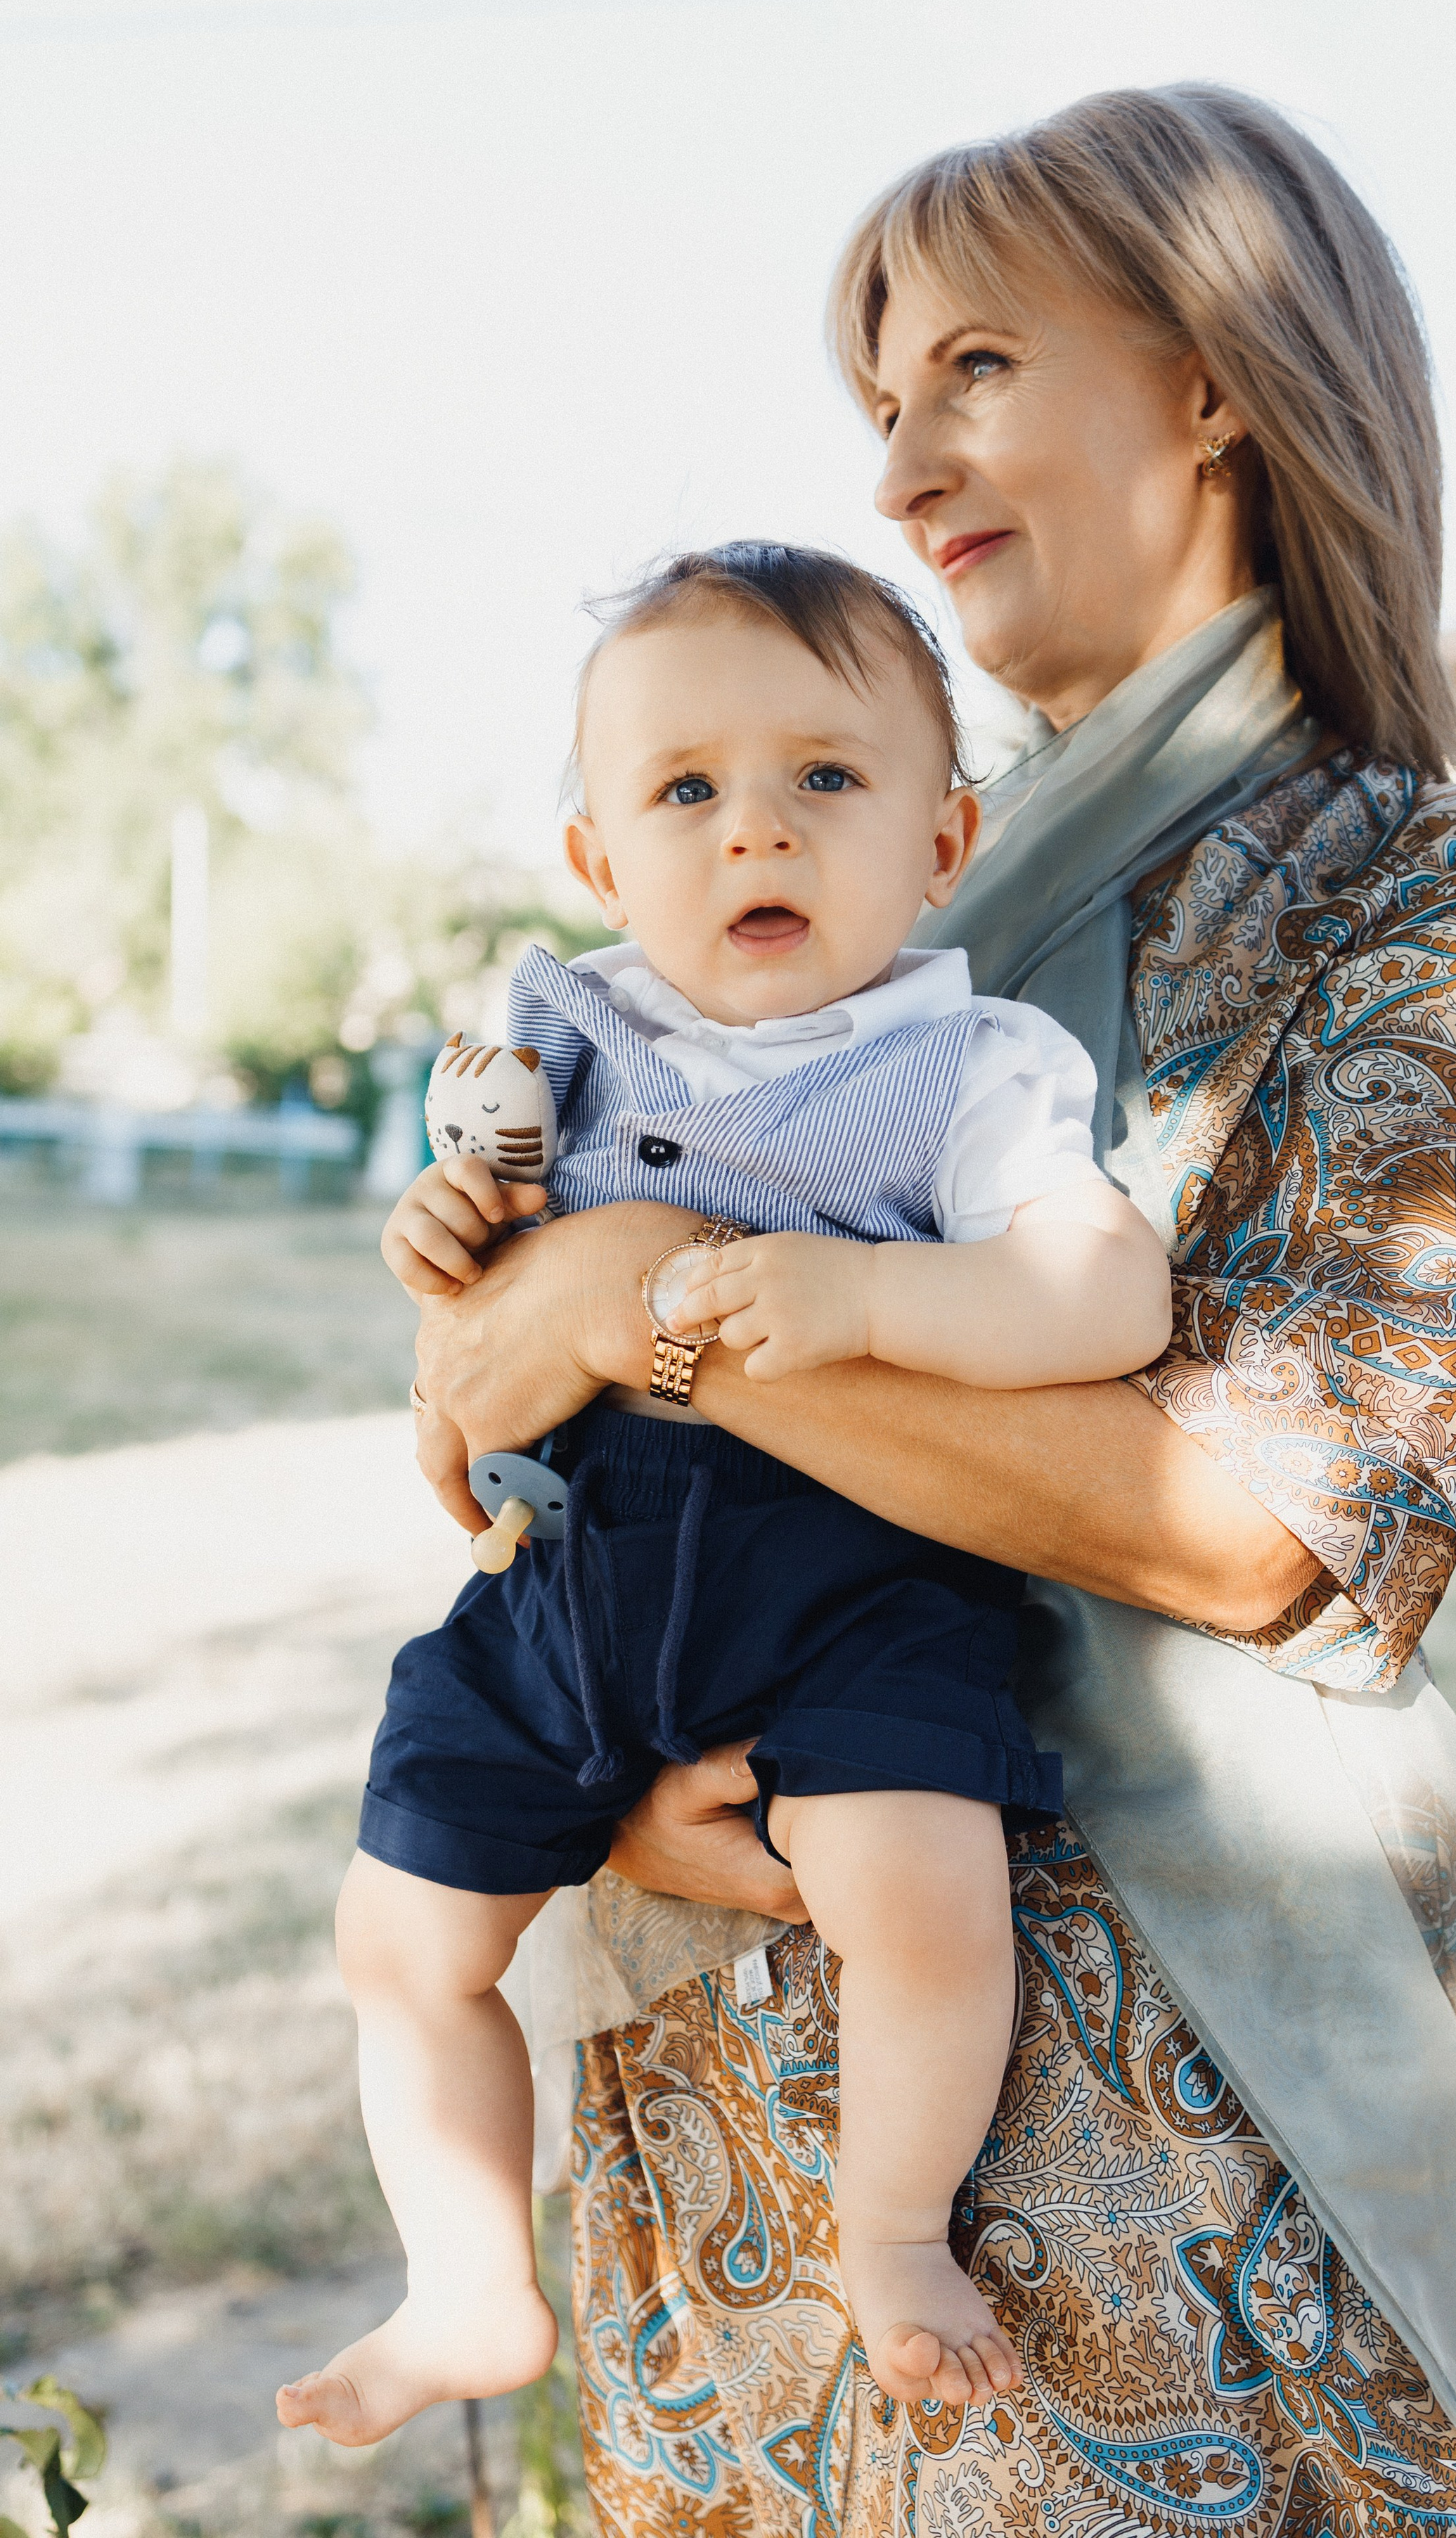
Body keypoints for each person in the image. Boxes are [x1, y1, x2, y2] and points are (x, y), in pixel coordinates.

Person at [407, 85, 1456, 2538]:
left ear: (1218, 375)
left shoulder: (1435, 900)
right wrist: (616, 1759)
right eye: (879, 405)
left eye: (970, 369)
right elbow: (501, 1415)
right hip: (737, 2106)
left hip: (1161, 2169)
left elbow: (1265, 1534)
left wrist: (641, 1290)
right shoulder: (836, 883)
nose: (897, 474)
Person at [274, 541, 1172, 2446]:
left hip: (855, 1583)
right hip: (579, 1582)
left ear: (945, 836)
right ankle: (463, 2285)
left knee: (918, 1892)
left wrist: (874, 1294)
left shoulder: (972, 1066)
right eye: (686, 790)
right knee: (403, 1934)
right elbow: (489, 1308)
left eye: (826, 780)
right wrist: (446, 1242)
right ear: (598, 859)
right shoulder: (559, 1048)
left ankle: (898, 2233)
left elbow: (1108, 1293)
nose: (755, 830)